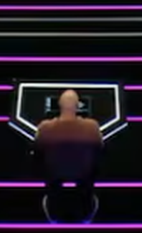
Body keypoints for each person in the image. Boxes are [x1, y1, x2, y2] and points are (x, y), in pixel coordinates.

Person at [36, 90, 102, 223]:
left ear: (59, 104)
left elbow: (37, 153)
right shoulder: (92, 126)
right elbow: (100, 150)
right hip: (83, 191)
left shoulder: (44, 127)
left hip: (55, 191)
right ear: (78, 106)